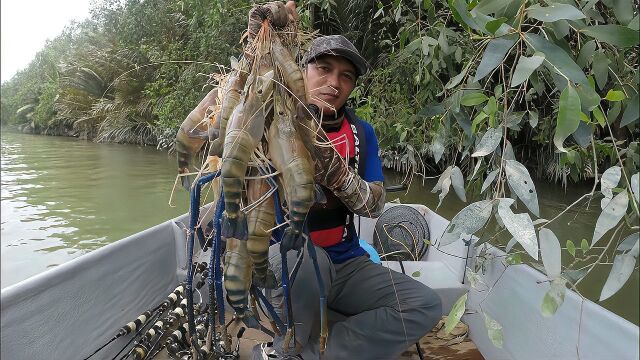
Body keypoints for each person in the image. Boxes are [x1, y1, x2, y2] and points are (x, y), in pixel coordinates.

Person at [252, 34, 443, 360]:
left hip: (348, 263)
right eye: (323, 68)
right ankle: (294, 339)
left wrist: (337, 174)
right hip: (287, 262)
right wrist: (264, 35)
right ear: (301, 71)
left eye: (346, 76)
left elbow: (375, 205)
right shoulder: (269, 121)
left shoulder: (361, 133)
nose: (334, 82)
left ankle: (311, 353)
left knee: (424, 305)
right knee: (311, 261)